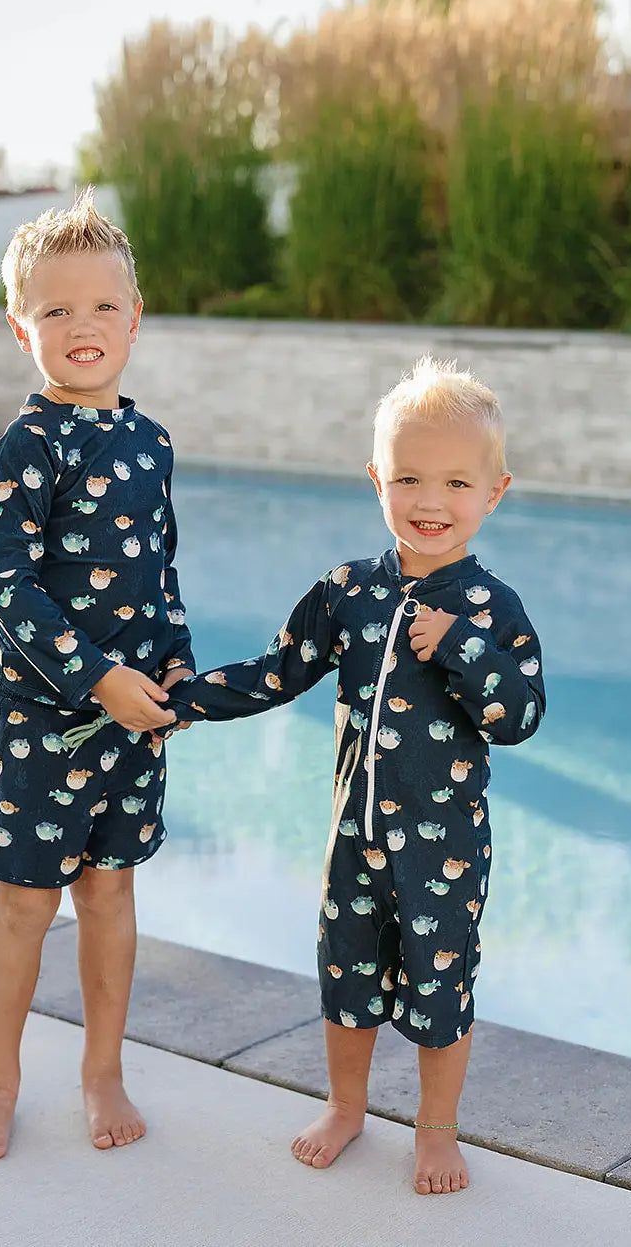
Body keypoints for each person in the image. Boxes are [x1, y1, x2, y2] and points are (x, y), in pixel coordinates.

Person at [165, 355, 545, 1195]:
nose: (429, 500)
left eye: (455, 482)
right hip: (354, 839)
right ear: (376, 478)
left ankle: (436, 1128)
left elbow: (518, 716)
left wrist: (459, 646)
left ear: (494, 492)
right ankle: (345, 1106)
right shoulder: (346, 592)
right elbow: (276, 671)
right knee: (346, 976)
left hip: (442, 850)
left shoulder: (492, 609)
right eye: (407, 477)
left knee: (439, 985)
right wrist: (182, 700)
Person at [0, 190, 193, 1160]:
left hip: (131, 720)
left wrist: (173, 666)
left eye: (101, 305)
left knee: (109, 892)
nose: (81, 325)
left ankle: (103, 1070)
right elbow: (5, 582)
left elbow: (160, 572)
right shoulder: (28, 445)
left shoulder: (151, 443)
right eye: (56, 309)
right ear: (23, 329)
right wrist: (96, 678)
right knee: (24, 902)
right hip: (41, 721)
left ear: (134, 318)